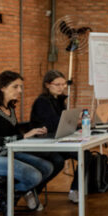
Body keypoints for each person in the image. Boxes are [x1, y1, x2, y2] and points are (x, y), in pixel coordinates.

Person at [0, 71, 53, 211]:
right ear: (2, 87)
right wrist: (23, 137)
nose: (20, 90)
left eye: (20, 87)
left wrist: (33, 134)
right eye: (15, 87)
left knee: (47, 167)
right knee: (34, 175)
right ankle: (8, 194)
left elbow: (13, 135)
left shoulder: (10, 109)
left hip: (4, 154)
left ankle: (8, 194)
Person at [30, 70, 80, 203]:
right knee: (58, 161)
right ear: (47, 85)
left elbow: (62, 124)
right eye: (57, 84)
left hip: (58, 140)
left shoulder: (59, 100)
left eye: (63, 84)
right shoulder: (41, 102)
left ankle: (75, 190)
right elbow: (52, 124)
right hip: (45, 143)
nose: (61, 88)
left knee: (85, 155)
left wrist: (76, 124)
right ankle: (33, 191)